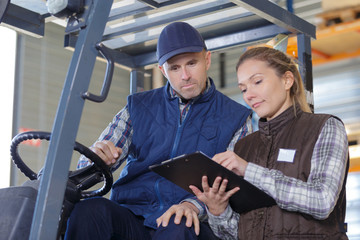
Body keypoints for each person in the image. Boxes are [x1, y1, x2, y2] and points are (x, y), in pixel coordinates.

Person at [64, 22, 252, 240]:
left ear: (207, 60)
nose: (185, 75)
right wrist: (96, 159)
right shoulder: (138, 107)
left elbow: (230, 183)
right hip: (133, 214)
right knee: (90, 211)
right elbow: (93, 162)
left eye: (192, 63)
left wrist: (193, 206)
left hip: (188, 220)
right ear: (163, 70)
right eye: (174, 68)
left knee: (179, 224)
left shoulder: (236, 117)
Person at [162, 46, 349, 239]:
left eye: (257, 82)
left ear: (287, 80)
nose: (248, 95)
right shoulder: (244, 147)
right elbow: (237, 233)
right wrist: (218, 211)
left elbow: (322, 200)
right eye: (243, 89)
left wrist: (249, 171)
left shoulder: (324, 127)